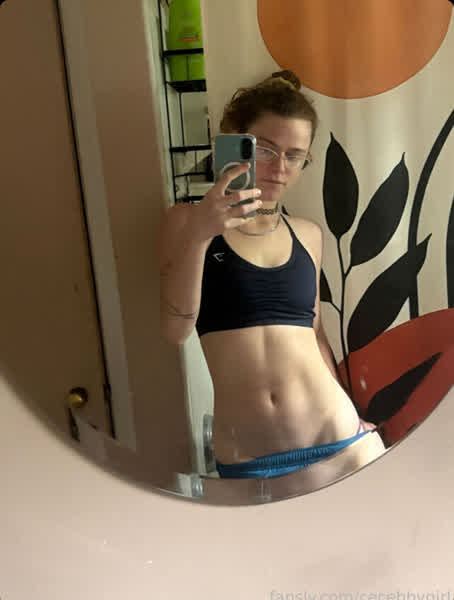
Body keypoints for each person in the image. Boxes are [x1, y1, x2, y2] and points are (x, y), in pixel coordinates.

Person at [158, 70, 385, 480]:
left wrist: (352, 411)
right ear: (234, 141)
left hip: (341, 443)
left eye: (295, 155)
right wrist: (200, 235)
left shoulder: (308, 234)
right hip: (250, 463)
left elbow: (314, 333)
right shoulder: (185, 222)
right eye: (265, 150)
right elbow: (176, 331)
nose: (280, 168)